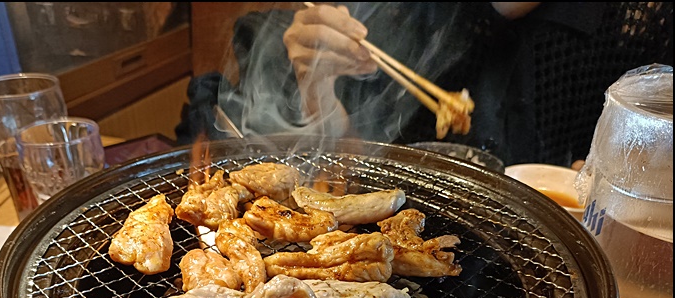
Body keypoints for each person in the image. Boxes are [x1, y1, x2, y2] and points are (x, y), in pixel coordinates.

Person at [176, 2, 673, 168]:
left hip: (552, 290)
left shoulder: (641, 20)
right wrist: (317, 89)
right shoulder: (396, 12)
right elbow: (341, 170)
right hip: (401, 279)